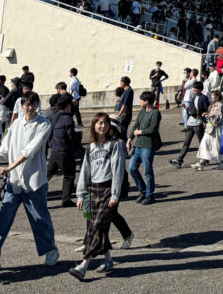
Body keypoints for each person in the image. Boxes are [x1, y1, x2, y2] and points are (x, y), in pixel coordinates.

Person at [0, 92, 60, 271]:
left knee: (39, 219)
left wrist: (8, 167)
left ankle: (51, 251)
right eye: (25, 104)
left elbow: (29, 151)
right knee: (3, 219)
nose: (29, 107)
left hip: (34, 181)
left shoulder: (44, 124)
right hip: (13, 183)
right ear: (21, 106)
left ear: (37, 105)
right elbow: (5, 148)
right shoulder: (16, 123)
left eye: (32, 104)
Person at [70, 113, 126, 280]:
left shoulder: (116, 144)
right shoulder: (90, 147)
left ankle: (83, 265)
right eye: (99, 123)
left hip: (108, 190)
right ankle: (108, 260)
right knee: (98, 227)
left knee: (96, 228)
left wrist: (115, 194)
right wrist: (80, 195)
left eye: (105, 123)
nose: (102, 126)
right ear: (94, 125)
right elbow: (84, 173)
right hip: (93, 191)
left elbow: (118, 171)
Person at [127, 90, 161, 205]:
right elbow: (135, 125)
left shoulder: (155, 113)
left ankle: (150, 195)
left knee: (148, 171)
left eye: (141, 100)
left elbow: (153, 129)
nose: (140, 102)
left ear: (147, 101)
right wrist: (129, 139)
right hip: (138, 145)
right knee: (132, 168)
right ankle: (142, 190)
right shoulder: (142, 112)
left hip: (148, 146)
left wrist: (140, 132)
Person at [47, 94, 79, 207]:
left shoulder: (53, 116)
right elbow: (70, 136)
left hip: (54, 150)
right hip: (65, 151)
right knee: (69, 176)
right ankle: (66, 199)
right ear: (67, 106)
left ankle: (35, 193)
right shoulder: (68, 119)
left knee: (47, 175)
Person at [170, 82, 208, 168]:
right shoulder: (193, 97)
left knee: (201, 143)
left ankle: (205, 159)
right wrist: (185, 107)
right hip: (190, 123)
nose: (194, 89)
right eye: (194, 88)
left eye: (196, 88)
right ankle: (179, 161)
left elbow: (206, 110)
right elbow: (192, 110)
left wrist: (205, 121)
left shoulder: (203, 98)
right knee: (186, 143)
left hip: (198, 124)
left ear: (200, 89)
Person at [195, 89, 223, 170]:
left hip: (216, 129)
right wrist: (207, 115)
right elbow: (211, 115)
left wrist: (209, 115)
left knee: (217, 146)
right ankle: (202, 161)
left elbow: (219, 118)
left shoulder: (220, 105)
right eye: (211, 95)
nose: (211, 97)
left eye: (213, 95)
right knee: (204, 143)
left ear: (217, 97)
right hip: (209, 128)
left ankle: (222, 162)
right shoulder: (212, 104)